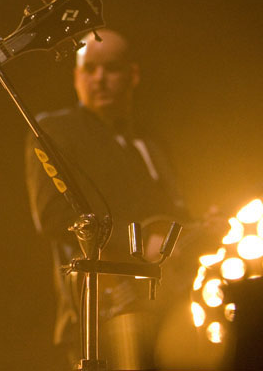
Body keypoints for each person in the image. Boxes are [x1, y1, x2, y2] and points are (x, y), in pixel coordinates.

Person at [25, 29, 187, 370]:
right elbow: (54, 216)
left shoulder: (149, 140)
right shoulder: (53, 131)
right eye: (89, 69)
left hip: (169, 310)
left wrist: (199, 228)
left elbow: (174, 209)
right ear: (76, 77)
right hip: (99, 314)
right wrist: (139, 243)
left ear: (133, 75)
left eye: (111, 68)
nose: (99, 79)